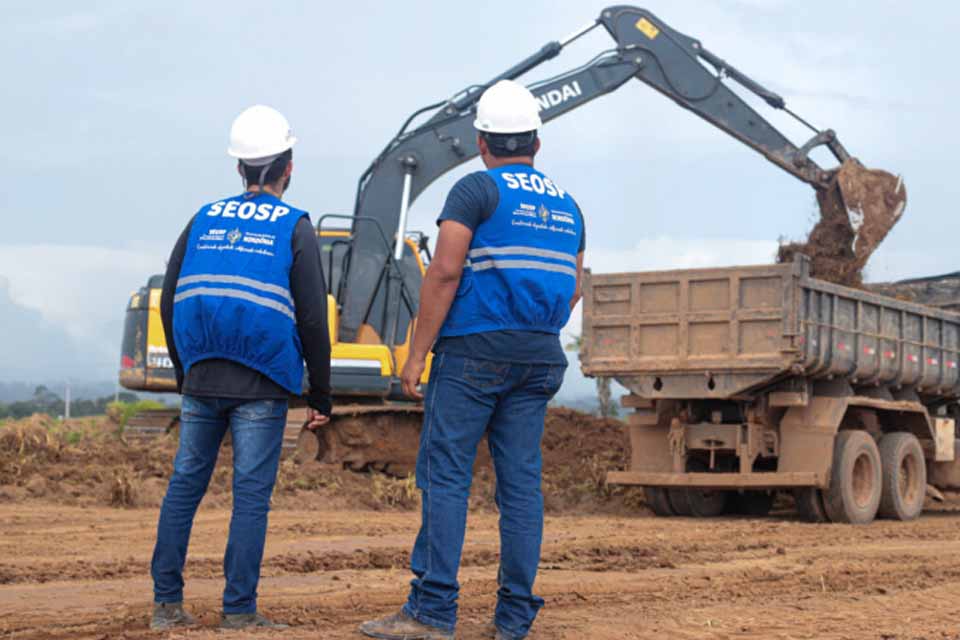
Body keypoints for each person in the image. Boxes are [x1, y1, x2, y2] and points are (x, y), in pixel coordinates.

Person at [361, 80, 585, 640]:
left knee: (446, 478)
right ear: (536, 141)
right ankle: (512, 621)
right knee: (519, 487)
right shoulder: (568, 207)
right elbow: (576, 284)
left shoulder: (474, 190)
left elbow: (443, 270)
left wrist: (416, 354)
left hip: (473, 354)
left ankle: (432, 612)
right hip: (538, 356)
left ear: (482, 142)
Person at [149, 105, 332, 631]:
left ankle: (166, 606)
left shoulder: (202, 219)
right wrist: (320, 394)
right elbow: (313, 319)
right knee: (250, 498)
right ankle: (238, 613)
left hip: (203, 377)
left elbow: (169, 300)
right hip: (262, 385)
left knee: (185, 486)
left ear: (239, 169)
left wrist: (187, 371)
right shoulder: (295, 226)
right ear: (288, 167)